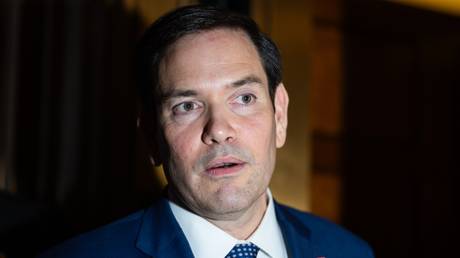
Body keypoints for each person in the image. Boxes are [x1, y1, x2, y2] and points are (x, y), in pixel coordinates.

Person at [39, 5, 374, 258]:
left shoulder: (349, 251)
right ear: (152, 138)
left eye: (244, 98)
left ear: (280, 114)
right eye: (187, 106)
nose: (219, 130)